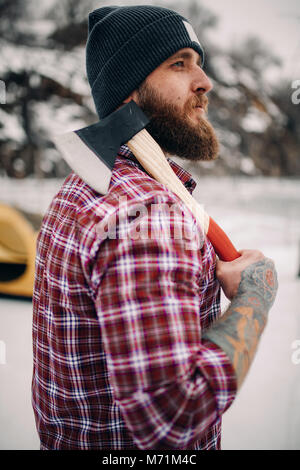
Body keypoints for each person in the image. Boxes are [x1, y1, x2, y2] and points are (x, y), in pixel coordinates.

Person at [32, 5, 278, 450]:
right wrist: (255, 297)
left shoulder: (80, 189)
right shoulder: (148, 216)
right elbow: (173, 417)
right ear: (129, 91)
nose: (205, 82)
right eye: (179, 64)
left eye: (199, 63)